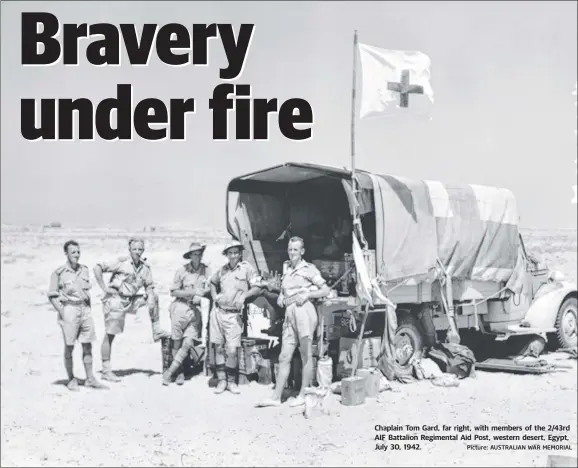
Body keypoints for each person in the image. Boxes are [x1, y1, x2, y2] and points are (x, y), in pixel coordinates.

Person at [256, 236, 330, 408]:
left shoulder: (309, 269)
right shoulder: (286, 267)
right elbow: (284, 290)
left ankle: (303, 394)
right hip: (290, 315)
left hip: (304, 313)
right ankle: (276, 398)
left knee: (305, 355)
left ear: (302, 252)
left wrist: (308, 295)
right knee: (284, 356)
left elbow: (325, 289)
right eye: (290, 249)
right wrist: (282, 296)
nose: (292, 253)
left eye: (295, 250)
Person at [93, 237, 169, 382]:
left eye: (140, 249)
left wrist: (150, 295)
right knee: (110, 334)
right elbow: (98, 267)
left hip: (131, 300)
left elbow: (149, 285)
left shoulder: (145, 268)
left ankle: (156, 330)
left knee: (155, 296)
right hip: (116, 300)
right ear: (129, 249)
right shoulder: (121, 262)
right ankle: (106, 370)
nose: (137, 252)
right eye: (134, 249)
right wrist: (104, 288)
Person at [47, 240, 108, 391]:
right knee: (69, 346)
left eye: (78, 252)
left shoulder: (85, 270)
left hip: (85, 310)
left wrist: (87, 309)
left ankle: (90, 379)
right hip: (69, 310)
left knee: (87, 345)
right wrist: (62, 312)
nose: (76, 255)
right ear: (66, 253)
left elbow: (87, 292)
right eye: (73, 252)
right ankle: (71, 379)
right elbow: (52, 296)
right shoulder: (59, 273)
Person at [209, 240, 261, 394]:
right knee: (218, 348)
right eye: (230, 253)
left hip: (234, 315)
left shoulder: (247, 269)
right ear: (226, 255)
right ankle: (221, 381)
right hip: (218, 313)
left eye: (236, 253)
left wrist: (244, 295)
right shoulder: (222, 270)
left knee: (232, 350)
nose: (233, 256)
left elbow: (257, 287)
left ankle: (231, 381)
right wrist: (214, 297)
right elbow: (212, 282)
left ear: (240, 254)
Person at [162, 242, 211, 386]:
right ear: (190, 256)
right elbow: (173, 291)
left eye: (200, 253)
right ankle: (179, 372)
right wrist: (192, 292)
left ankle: (169, 372)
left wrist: (204, 293)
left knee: (188, 342)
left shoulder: (206, 270)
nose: (198, 256)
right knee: (177, 342)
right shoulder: (182, 270)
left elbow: (211, 285)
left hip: (195, 310)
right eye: (195, 254)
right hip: (179, 308)